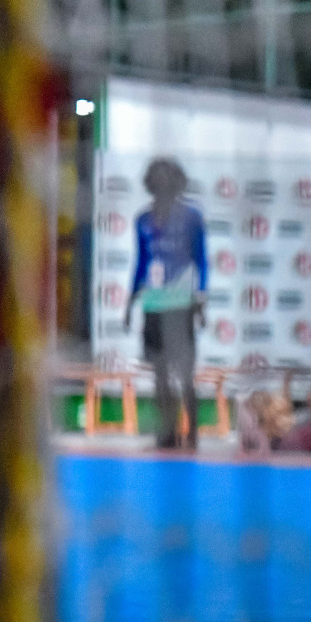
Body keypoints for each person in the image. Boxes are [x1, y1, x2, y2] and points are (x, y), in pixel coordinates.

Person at [123, 157, 207, 450]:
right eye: (155, 182)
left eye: (166, 181)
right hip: (153, 306)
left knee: (184, 374)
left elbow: (202, 260)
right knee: (159, 376)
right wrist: (130, 302)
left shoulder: (192, 217)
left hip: (182, 304)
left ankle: (193, 432)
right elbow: (141, 262)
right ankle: (167, 433)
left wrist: (201, 297)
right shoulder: (142, 220)